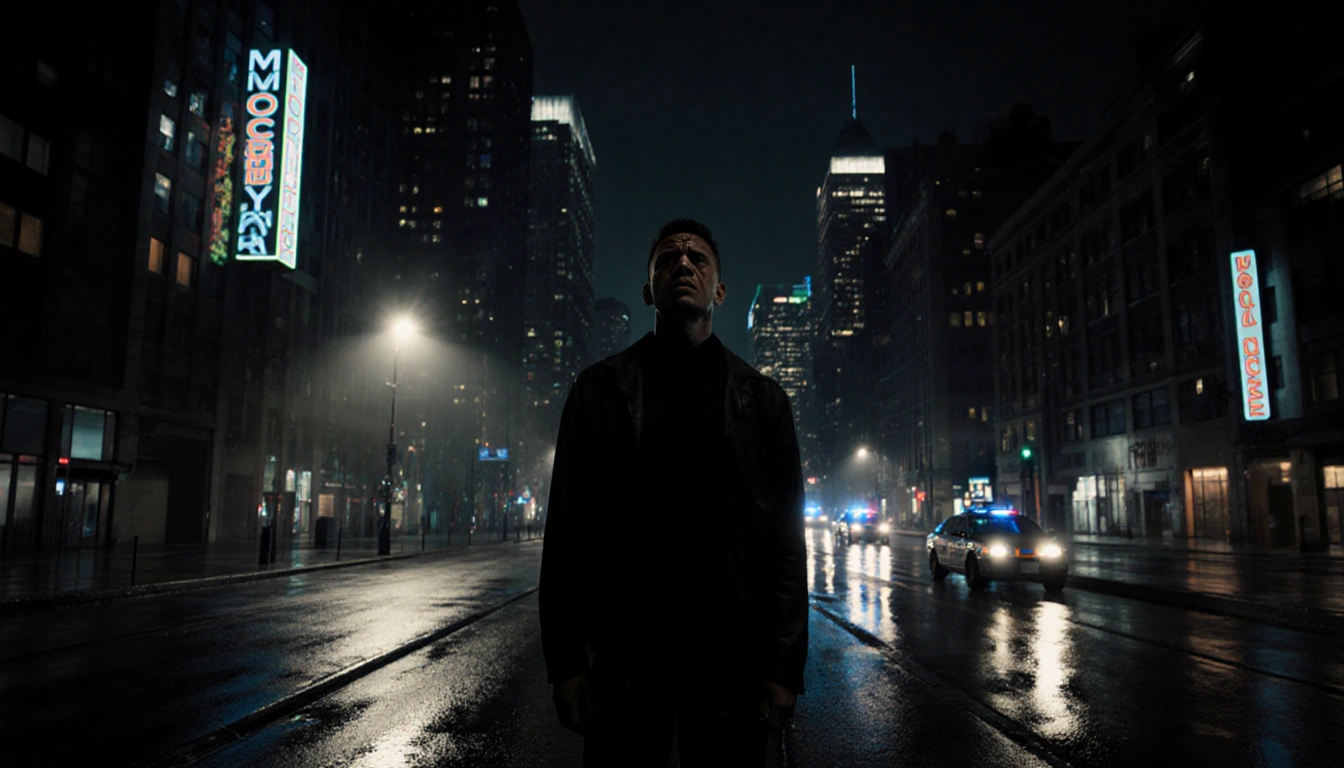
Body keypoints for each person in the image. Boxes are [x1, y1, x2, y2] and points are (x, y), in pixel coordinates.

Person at [538, 218, 808, 766]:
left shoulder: (763, 402)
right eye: (667, 259)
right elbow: (566, 531)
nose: (683, 264)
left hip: (730, 662)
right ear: (648, 290)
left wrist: (783, 669)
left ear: (720, 290)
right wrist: (566, 662)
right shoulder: (598, 392)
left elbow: (785, 545)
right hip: (628, 656)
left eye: (697, 258)